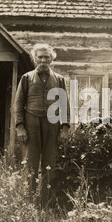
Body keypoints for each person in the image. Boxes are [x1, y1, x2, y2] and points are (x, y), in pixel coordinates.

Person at [14, 43, 69, 203]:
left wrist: (65, 128)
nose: (43, 61)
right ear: (35, 58)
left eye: (46, 57)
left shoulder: (59, 80)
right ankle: (30, 202)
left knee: (49, 164)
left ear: (51, 59)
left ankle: (44, 203)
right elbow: (18, 104)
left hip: (52, 124)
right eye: (40, 57)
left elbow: (64, 104)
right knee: (30, 164)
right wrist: (20, 127)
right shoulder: (26, 78)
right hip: (31, 124)